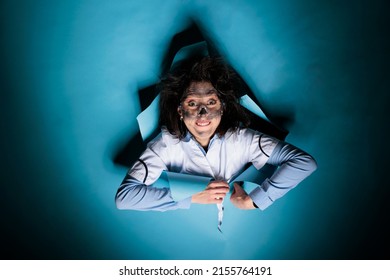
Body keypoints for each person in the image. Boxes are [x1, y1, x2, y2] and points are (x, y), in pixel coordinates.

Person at [115, 56, 317, 212]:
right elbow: (124, 197)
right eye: (192, 103)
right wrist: (192, 197)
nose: (203, 113)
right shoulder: (164, 145)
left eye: (211, 102)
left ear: (222, 108)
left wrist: (256, 200)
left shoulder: (243, 139)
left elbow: (303, 162)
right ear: (180, 110)